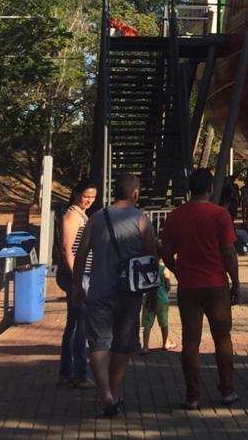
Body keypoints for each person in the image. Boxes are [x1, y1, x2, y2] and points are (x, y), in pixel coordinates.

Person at [72, 173, 157, 417]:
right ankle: (110, 392)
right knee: (123, 344)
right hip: (130, 293)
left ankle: (105, 393)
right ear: (135, 193)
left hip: (99, 290)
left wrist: (78, 285)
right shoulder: (142, 219)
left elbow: (81, 253)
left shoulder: (97, 217)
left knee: (98, 343)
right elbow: (152, 256)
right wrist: (153, 290)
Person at [160, 168, 240, 409]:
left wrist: (177, 270)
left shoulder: (174, 216)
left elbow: (165, 251)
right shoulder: (220, 215)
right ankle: (227, 390)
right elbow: (229, 252)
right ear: (210, 189)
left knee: (190, 342)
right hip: (216, 284)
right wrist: (236, 281)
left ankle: (192, 395)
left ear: (189, 189)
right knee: (222, 338)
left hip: (189, 286)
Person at [58, 179, 97, 389]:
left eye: (92, 197)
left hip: (81, 275)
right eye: (86, 196)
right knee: (80, 325)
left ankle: (67, 371)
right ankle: (80, 374)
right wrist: (77, 280)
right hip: (76, 276)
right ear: (76, 194)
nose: (89, 200)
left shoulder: (82, 214)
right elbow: (67, 249)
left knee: (74, 324)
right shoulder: (72, 215)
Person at [140, 261, 174, 354]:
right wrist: (166, 291)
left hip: (149, 299)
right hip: (162, 299)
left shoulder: (147, 267)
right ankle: (165, 343)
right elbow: (168, 285)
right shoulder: (164, 269)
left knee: (147, 324)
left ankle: (145, 346)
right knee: (164, 323)